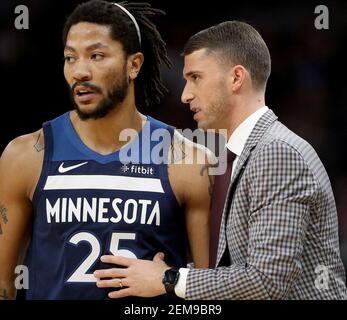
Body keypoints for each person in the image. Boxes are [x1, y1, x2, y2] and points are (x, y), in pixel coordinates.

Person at [95, 20, 347, 300]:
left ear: (236, 78)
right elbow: (238, 269)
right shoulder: (246, 152)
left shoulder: (276, 152)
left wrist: (168, 278)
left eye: (196, 77)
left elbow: (267, 282)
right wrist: (162, 275)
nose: (185, 94)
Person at [0, 0, 213, 300]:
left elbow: (209, 293)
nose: (80, 72)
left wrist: (168, 280)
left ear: (134, 64)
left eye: (96, 56)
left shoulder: (188, 160)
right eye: (70, 58)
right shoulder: (25, 155)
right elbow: (3, 283)